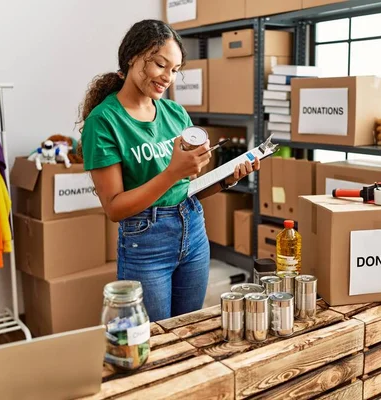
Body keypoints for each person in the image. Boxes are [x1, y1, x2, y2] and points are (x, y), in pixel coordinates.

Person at [77, 19, 260, 322]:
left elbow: (186, 187)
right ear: (133, 57)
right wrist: (173, 172)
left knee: (188, 330)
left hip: (194, 232)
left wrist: (225, 179)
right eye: (161, 65)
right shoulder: (104, 121)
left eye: (175, 70)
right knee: (155, 340)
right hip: (145, 243)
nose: (168, 78)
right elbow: (114, 208)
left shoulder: (175, 113)